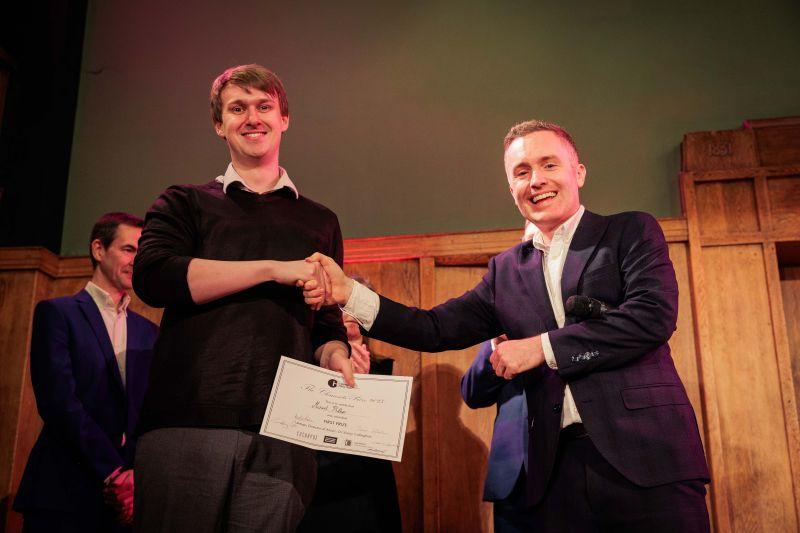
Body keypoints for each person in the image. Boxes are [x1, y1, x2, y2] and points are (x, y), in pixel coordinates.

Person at [304, 120, 711, 531]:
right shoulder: (505, 271)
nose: (536, 180)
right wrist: (348, 293)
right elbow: (433, 327)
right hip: (554, 474)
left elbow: (652, 316)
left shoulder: (629, 230)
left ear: (579, 172)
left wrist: (541, 348)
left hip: (647, 459)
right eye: (521, 172)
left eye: (549, 165)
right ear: (511, 188)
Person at [131, 64, 353, 533]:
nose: (252, 117)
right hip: (186, 425)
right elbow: (153, 278)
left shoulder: (322, 221)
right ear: (220, 124)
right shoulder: (184, 202)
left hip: (286, 436)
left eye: (263, 106)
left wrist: (336, 355)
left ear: (284, 118)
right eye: (237, 108)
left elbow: (327, 326)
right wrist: (273, 269)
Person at [13, 212, 158, 532]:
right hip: (64, 491)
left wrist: (132, 478)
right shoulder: (57, 314)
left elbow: (148, 412)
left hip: (124, 502)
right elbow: (59, 402)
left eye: (142, 252)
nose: (137, 260)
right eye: (128, 249)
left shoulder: (149, 332)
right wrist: (113, 472)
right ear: (98, 249)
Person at [298, 276, 402, 533]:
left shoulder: (386, 367)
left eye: (356, 306)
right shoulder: (311, 363)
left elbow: (386, 435)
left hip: (369, 475)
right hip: (325, 472)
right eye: (342, 306)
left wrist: (363, 387)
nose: (349, 314)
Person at [461, 224, 536, 533]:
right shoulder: (506, 311)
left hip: (573, 469)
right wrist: (495, 345)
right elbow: (473, 393)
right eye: (529, 243)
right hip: (514, 476)